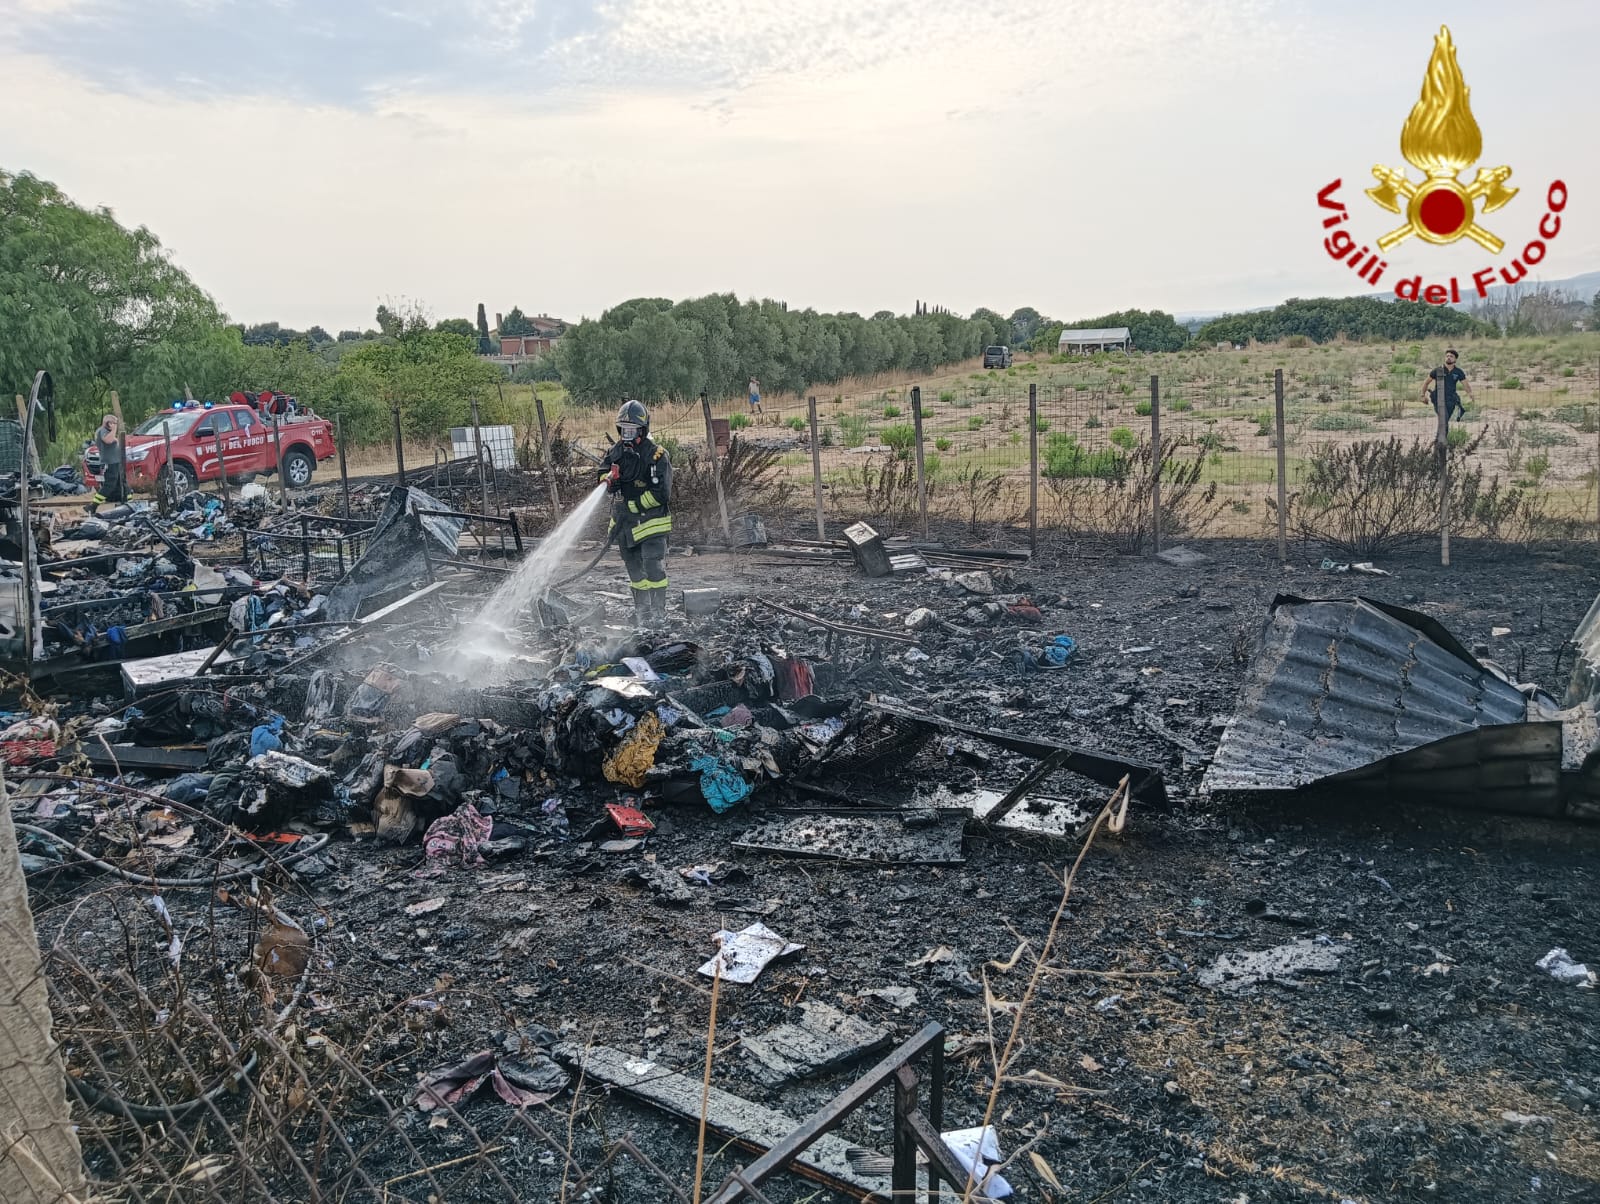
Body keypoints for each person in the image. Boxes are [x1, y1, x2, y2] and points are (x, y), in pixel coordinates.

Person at [599, 400, 673, 625]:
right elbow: (602, 471)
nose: (627, 435)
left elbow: (662, 494)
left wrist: (633, 506)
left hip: (652, 524)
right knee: (633, 569)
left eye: (632, 430)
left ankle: (659, 611)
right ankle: (642, 610)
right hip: (626, 525)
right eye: (624, 430)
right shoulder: (616, 452)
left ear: (642, 430)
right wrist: (608, 480)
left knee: (653, 566)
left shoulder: (656, 456)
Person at [1421, 347, 1474, 461]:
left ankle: (1439, 446)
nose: (1448, 357)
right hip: (1438, 401)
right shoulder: (1438, 370)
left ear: (1455, 359)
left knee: (1444, 424)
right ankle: (1438, 448)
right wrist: (1422, 395)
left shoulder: (1458, 372)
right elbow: (1426, 382)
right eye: (1447, 356)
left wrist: (1470, 395)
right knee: (1443, 423)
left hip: (1451, 401)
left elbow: (1465, 384)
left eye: (1451, 356)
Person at [93, 414, 126, 504]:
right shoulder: (103, 431)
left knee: (122, 483)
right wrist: (114, 429)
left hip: (115, 462)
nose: (116, 425)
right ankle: (94, 505)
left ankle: (126, 501)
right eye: (114, 423)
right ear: (109, 423)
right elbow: (108, 440)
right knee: (109, 484)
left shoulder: (107, 432)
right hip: (110, 462)